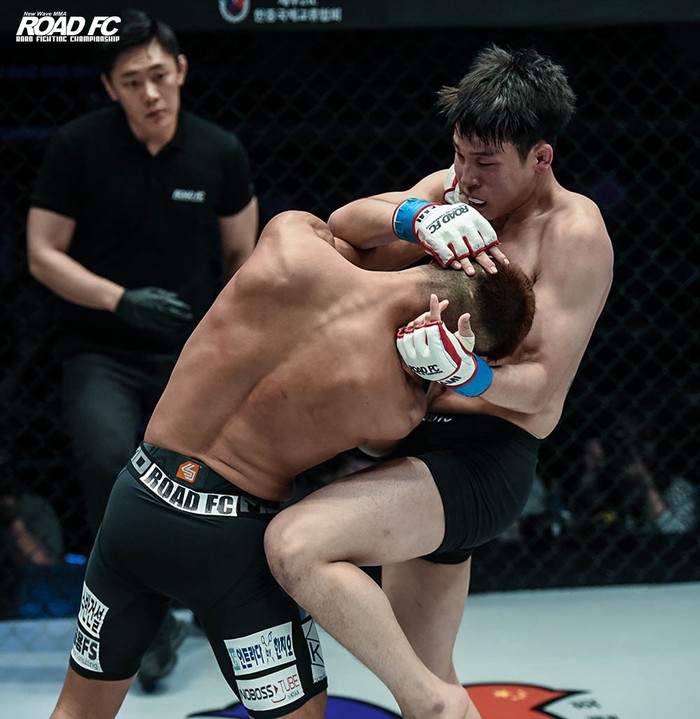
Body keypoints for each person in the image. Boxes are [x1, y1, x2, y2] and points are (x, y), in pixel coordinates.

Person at [48, 209, 535, 719]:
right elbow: (377, 446)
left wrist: (414, 217)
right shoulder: (396, 405)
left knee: (77, 711)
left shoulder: (290, 241)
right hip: (229, 542)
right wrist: (437, 374)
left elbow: (347, 225)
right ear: (452, 333)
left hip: (137, 499)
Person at [264, 44, 614, 719]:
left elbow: (542, 392)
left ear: (541, 158)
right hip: (417, 446)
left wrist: (467, 372)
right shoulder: (453, 190)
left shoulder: (574, 232)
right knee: (432, 670)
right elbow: (340, 230)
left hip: (484, 459)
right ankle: (433, 699)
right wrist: (415, 216)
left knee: (296, 544)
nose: (467, 177)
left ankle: (428, 702)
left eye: (486, 163)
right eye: (459, 155)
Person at [26, 9, 258, 686]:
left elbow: (243, 258)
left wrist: (225, 339)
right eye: (132, 81)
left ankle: (225, 600)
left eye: (159, 75)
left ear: (180, 70)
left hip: (193, 351)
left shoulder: (219, 150)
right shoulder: (77, 147)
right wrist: (119, 299)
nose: (150, 92)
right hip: (100, 347)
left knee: (221, 475)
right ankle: (146, 623)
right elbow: (42, 252)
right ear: (110, 87)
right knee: (106, 460)